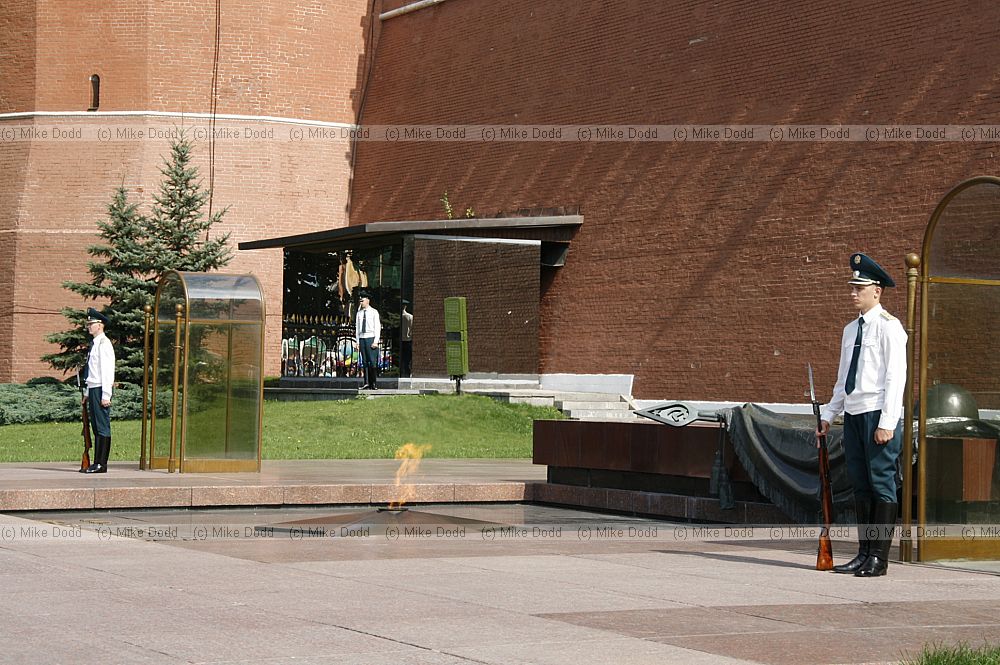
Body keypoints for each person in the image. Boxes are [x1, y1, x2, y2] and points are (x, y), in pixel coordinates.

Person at [817, 253, 907, 577]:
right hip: (854, 415)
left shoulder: (889, 327)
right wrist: (829, 414)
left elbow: (896, 377)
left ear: (877, 291)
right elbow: (844, 378)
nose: (853, 292)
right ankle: (863, 552)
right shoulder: (850, 331)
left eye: (860, 287)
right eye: (852, 287)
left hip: (877, 415)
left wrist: (887, 422)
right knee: (860, 486)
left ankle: (879, 558)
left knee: (882, 484)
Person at [81, 307, 116, 474]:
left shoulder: (104, 343)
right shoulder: (94, 344)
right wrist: (87, 393)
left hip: (102, 388)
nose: (88, 326)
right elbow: (92, 371)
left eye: (91, 323)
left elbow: (107, 370)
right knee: (95, 427)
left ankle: (102, 464)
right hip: (94, 388)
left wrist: (106, 395)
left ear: (100, 325)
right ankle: (96, 462)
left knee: (102, 427)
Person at [356, 292, 381, 389]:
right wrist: (357, 341)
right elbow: (357, 328)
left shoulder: (374, 312)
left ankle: (373, 383)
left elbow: (377, 327)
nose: (361, 303)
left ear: (367, 301)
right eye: (360, 301)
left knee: (372, 361)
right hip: (362, 338)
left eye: (362, 301)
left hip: (371, 337)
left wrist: (376, 341)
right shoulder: (359, 313)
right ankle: (366, 382)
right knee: (365, 362)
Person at [401, 300, 413, 378]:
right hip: (408, 339)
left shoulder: (404, 316)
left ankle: (405, 371)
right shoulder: (410, 317)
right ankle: (407, 372)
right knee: (407, 358)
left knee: (403, 358)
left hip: (403, 340)